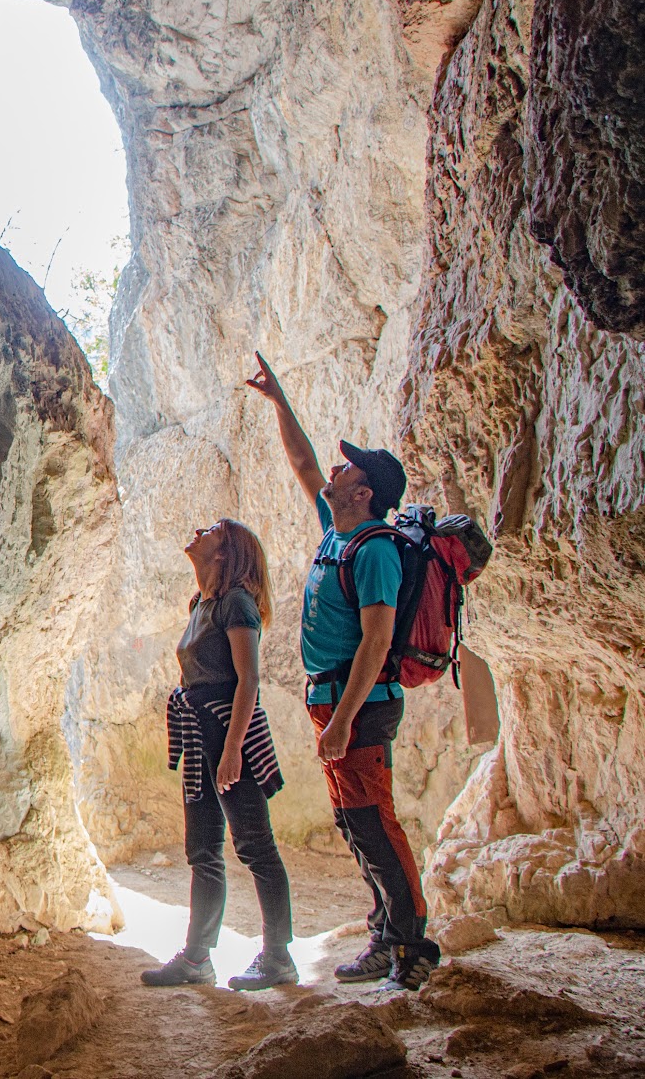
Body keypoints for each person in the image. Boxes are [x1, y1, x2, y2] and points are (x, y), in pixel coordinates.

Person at [245, 351, 441, 991]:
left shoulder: (375, 546)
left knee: (373, 820)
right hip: (333, 703)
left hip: (359, 704)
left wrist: (345, 720)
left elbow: (378, 641)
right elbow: (304, 463)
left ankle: (410, 949)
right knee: (354, 821)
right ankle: (386, 935)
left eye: (347, 466)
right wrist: (280, 402)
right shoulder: (340, 528)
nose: (334, 466)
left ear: (365, 492)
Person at [141, 518, 296, 991]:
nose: (197, 531)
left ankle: (278, 957)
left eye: (211, 530)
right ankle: (196, 958)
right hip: (200, 731)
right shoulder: (202, 604)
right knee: (203, 849)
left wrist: (232, 752)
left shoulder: (236, 603)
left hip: (230, 731)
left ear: (225, 552)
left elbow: (248, 680)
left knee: (255, 846)